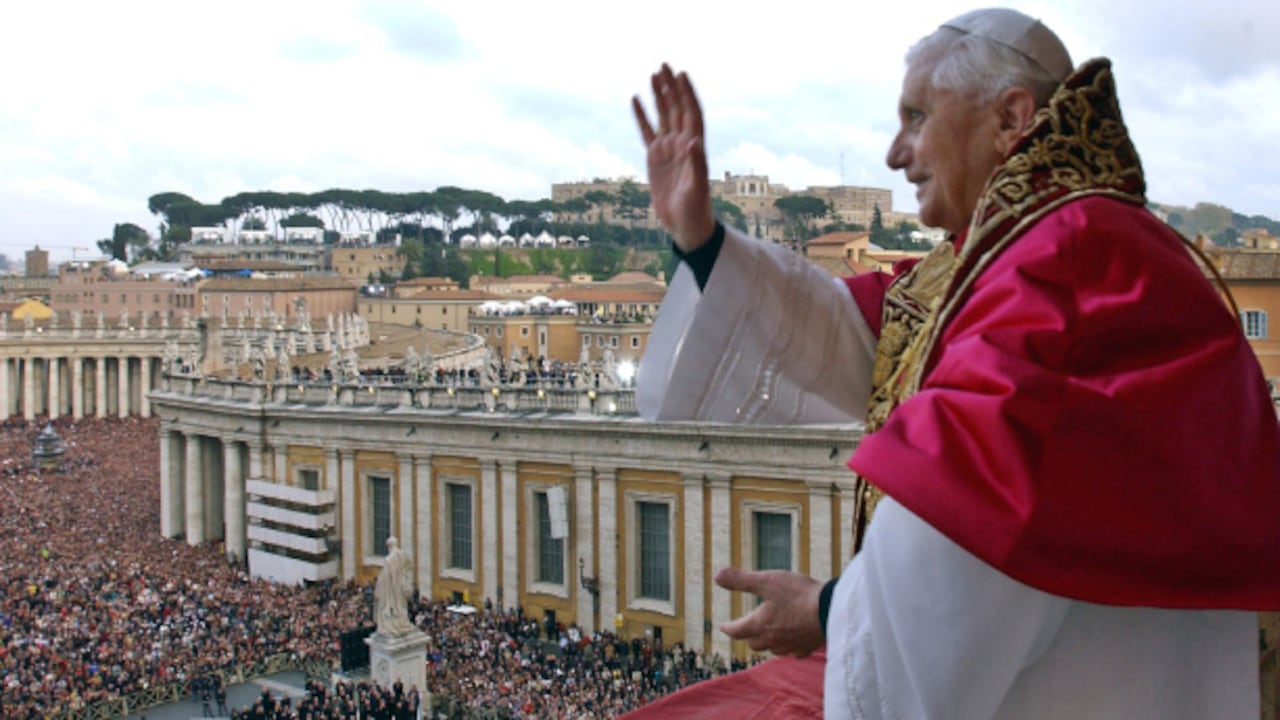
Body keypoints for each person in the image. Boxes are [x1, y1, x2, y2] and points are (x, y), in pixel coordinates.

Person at [628, 7, 1280, 719]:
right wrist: (700, 238)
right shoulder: (1021, 251)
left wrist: (831, 606)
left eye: (916, 116)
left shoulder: (1071, 267)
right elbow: (855, 338)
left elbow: (973, 516)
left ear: (1011, 118)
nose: (894, 153)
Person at [374, 537, 417, 637]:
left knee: (393, 604)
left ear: (389, 546)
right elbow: (410, 566)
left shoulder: (389, 559)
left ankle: (395, 624)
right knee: (400, 605)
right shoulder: (403, 555)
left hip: (392, 587)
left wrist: (378, 587)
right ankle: (401, 622)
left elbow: (385, 576)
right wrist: (405, 577)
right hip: (400, 583)